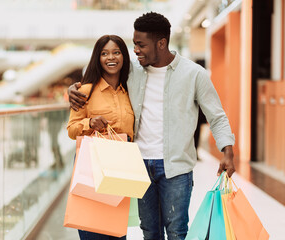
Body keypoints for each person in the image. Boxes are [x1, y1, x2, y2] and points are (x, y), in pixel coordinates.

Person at [68, 12, 236, 240]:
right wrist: (74, 89)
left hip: (175, 167)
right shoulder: (132, 72)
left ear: (161, 43)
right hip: (138, 164)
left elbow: (217, 116)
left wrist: (228, 151)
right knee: (149, 231)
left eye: (140, 45)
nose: (135, 50)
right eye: (134, 44)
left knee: (177, 232)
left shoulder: (194, 74)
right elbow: (100, 80)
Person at [67, 34, 133, 240]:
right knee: (92, 229)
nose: (110, 57)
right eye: (104, 53)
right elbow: (71, 129)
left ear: (124, 57)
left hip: (121, 168)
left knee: (116, 231)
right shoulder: (84, 91)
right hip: (92, 168)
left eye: (116, 52)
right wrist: (89, 123)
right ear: (97, 58)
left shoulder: (130, 91)